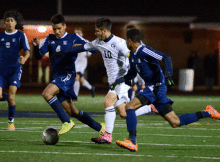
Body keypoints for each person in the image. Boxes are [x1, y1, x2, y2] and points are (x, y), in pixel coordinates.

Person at [52, 18, 157, 144]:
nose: (95, 33)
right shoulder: (98, 42)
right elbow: (81, 48)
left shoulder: (119, 43)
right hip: (114, 82)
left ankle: (107, 135)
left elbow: (133, 57)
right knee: (124, 113)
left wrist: (133, 76)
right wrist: (63, 53)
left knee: (108, 102)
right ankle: (151, 107)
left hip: (123, 80)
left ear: (104, 30)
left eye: (97, 31)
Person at [115, 29, 220, 152]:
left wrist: (168, 75)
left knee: (129, 107)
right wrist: (119, 80)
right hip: (152, 88)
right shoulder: (132, 55)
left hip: (156, 86)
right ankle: (208, 112)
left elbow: (166, 58)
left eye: (126, 40)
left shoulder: (144, 51)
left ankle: (132, 141)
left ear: (130, 40)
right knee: (175, 122)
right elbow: (132, 73)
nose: (125, 42)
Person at [32, 14, 104, 135]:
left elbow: (94, 49)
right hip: (57, 77)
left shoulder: (74, 37)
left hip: (68, 75)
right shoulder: (49, 39)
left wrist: (80, 47)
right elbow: (39, 56)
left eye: (59, 28)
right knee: (73, 112)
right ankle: (100, 127)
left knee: (47, 93)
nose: (57, 31)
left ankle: (66, 122)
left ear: (65, 26)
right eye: (54, 29)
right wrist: (35, 47)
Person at [0, 10, 30, 131]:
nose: (9, 23)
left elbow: (27, 51)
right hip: (1, 71)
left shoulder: (21, 35)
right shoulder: (1, 36)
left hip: (14, 69)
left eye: (11, 21)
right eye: (7, 21)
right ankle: (4, 96)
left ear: (15, 23)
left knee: (11, 98)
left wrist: (25, 58)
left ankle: (11, 122)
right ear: (4, 23)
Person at [73, 27, 95, 97]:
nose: (77, 34)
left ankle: (75, 96)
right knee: (81, 80)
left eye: (79, 32)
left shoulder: (86, 41)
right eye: (76, 33)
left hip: (82, 63)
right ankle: (91, 88)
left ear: (82, 34)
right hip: (75, 63)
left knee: (76, 77)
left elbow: (91, 50)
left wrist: (88, 54)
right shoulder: (73, 42)